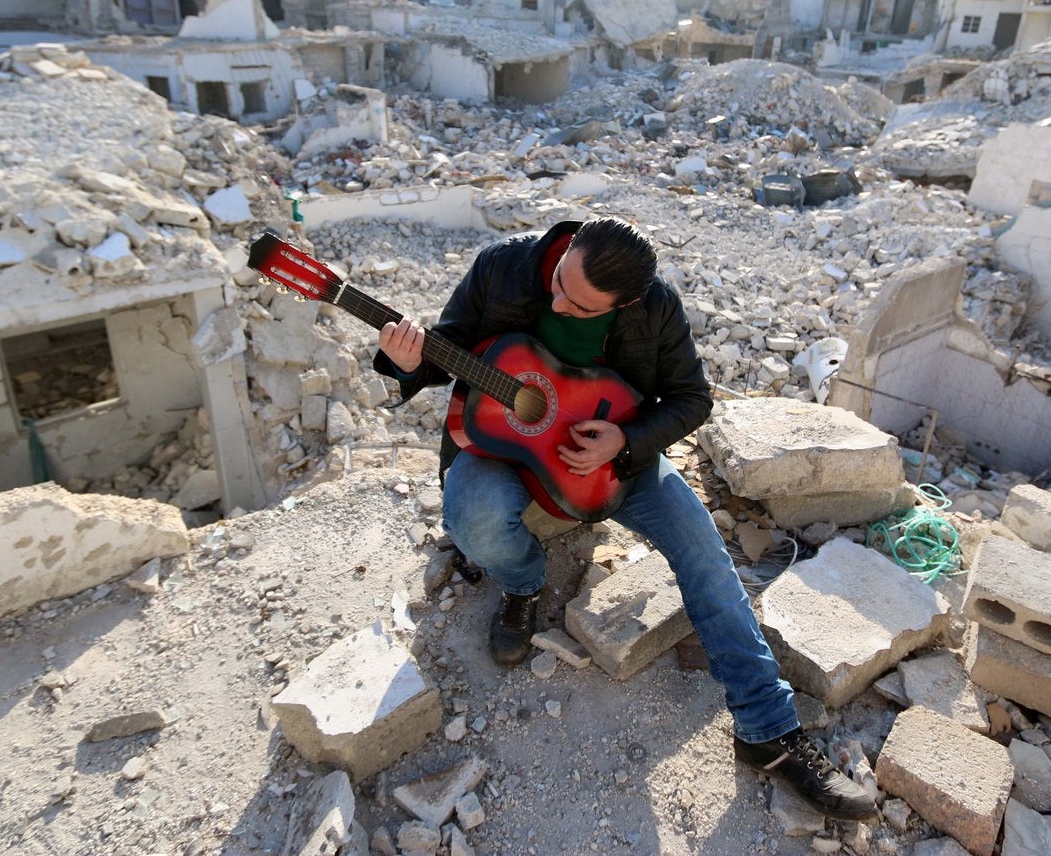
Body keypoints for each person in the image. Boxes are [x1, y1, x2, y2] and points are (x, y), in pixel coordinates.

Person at [373, 216, 876, 822]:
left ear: (625, 302)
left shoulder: (655, 307)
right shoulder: (504, 267)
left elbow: (692, 399)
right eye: (559, 281)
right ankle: (524, 583)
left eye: (579, 306)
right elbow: (444, 349)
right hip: (504, 451)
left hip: (618, 462)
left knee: (707, 558)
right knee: (471, 519)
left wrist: (626, 440)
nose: (557, 302)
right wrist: (405, 361)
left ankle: (768, 730)